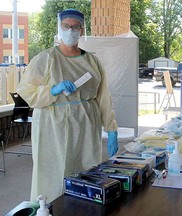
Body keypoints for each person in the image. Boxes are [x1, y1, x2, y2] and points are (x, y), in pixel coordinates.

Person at [17, 9, 119, 203]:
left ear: (82, 30)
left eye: (75, 27)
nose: (71, 31)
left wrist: (111, 127)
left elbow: (103, 96)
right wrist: (51, 90)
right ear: (60, 28)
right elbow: (26, 90)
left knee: (86, 169)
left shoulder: (92, 61)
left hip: (86, 124)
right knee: (53, 174)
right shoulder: (46, 59)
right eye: (66, 26)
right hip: (52, 125)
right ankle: (46, 208)